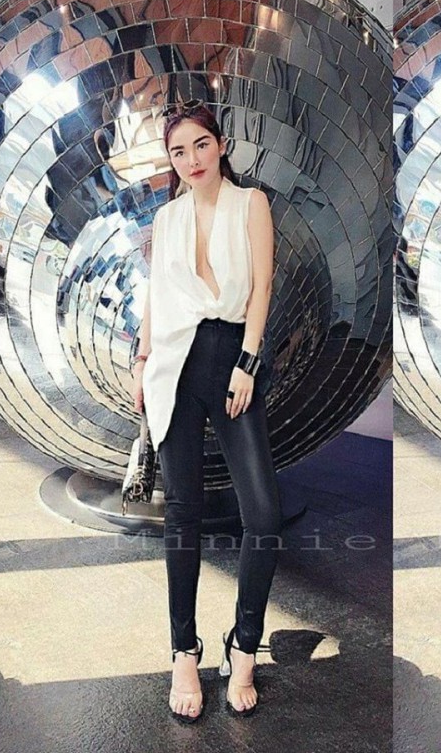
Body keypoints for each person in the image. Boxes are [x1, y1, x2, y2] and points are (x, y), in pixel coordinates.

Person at [131, 102, 280, 723]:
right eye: (178, 151)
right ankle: (183, 650)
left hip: (231, 358)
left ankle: (244, 644)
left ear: (220, 145)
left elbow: (262, 287)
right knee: (182, 514)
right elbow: (156, 295)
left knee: (263, 514)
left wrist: (248, 362)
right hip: (173, 365)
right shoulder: (166, 217)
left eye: (199, 145)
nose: (190, 159)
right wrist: (142, 360)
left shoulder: (251, 204)